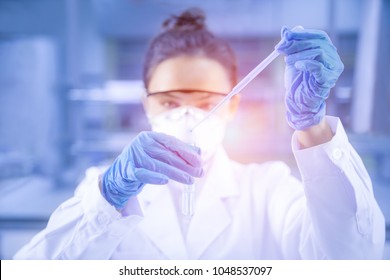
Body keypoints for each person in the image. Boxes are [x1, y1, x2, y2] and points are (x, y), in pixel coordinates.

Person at [14, 8, 385, 260]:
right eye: (169, 101)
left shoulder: (267, 188)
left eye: (208, 102)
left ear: (234, 106)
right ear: (146, 104)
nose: (188, 116)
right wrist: (110, 198)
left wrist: (312, 127)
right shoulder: (102, 190)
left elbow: (354, 257)